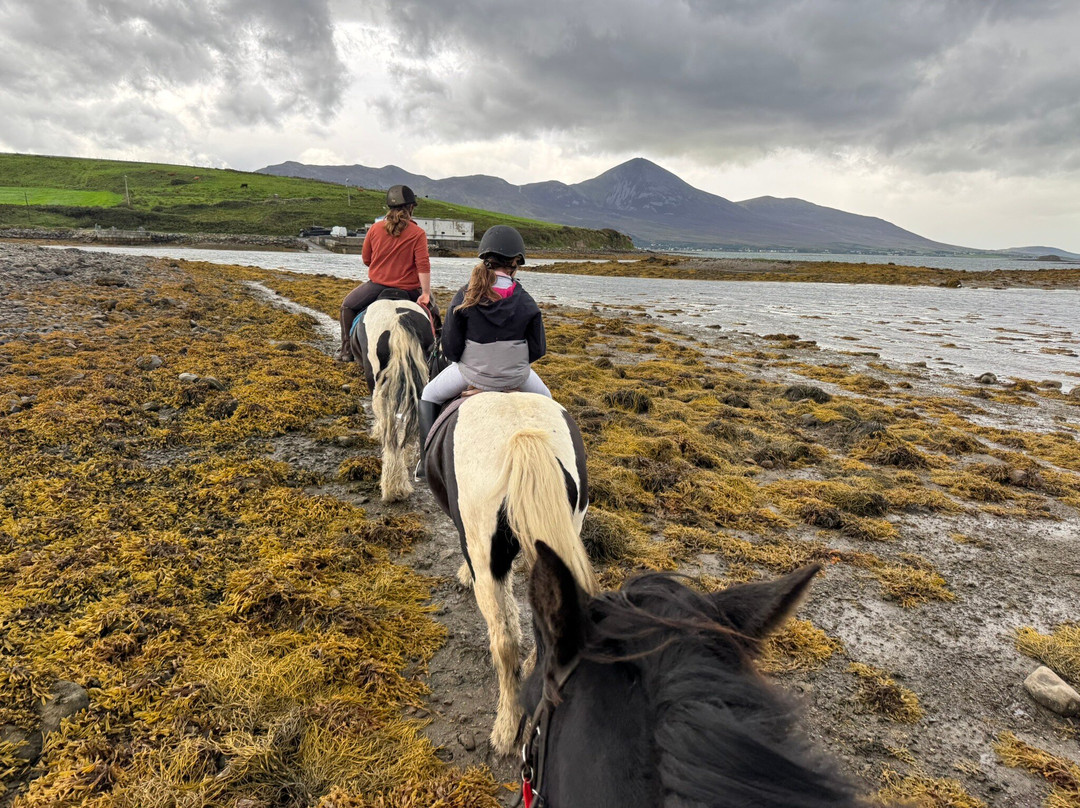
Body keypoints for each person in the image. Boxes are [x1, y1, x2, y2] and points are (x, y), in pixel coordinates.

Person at [415, 225, 550, 478]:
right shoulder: (527, 301)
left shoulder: (465, 296)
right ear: (515, 263)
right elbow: (537, 350)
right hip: (516, 378)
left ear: (485, 259)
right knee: (548, 399)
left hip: (471, 377)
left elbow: (452, 351)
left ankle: (425, 462)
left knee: (429, 394)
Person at [338, 184, 439, 361]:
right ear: (411, 207)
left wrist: (381, 267)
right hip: (409, 290)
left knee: (347, 306)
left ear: (389, 208)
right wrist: (425, 293)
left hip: (376, 287)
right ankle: (436, 353)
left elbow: (366, 259)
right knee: (435, 314)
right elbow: (423, 265)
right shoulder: (418, 233)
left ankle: (346, 350)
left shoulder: (374, 229)